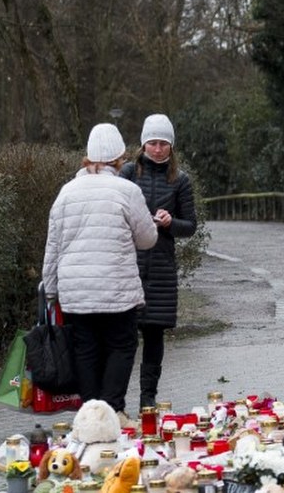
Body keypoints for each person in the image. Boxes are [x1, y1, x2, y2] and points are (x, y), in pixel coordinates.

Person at [42, 123, 158, 422]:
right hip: (116, 288)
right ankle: (113, 409)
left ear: (88, 156)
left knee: (85, 348)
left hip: (76, 290)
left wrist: (51, 289)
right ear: (120, 157)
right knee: (121, 345)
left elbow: (53, 246)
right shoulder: (127, 190)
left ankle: (90, 413)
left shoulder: (66, 192)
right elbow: (148, 239)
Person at [120, 113, 197, 410]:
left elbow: (190, 226)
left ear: (171, 147)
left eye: (163, 143)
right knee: (125, 337)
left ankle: (147, 399)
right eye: (152, 143)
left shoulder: (180, 180)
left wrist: (170, 222)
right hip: (129, 264)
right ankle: (116, 400)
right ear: (142, 145)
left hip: (162, 267)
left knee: (154, 335)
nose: (157, 149)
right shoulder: (128, 173)